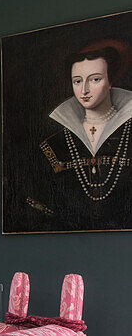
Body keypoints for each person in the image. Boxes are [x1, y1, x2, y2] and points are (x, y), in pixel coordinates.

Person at [35, 40, 132, 229]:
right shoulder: (54, 144)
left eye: (95, 79)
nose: (84, 90)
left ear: (111, 81)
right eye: (77, 81)